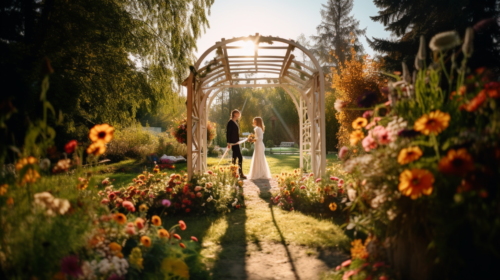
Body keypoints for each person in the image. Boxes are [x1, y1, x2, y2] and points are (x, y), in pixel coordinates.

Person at [226, 109, 246, 179]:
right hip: (233, 143)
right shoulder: (230, 122)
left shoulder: (235, 122)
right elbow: (228, 133)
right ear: (234, 114)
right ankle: (240, 174)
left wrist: (238, 140)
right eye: (238, 113)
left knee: (234, 158)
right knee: (240, 157)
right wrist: (228, 142)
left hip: (236, 142)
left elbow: (235, 133)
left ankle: (233, 174)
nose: (239, 114)